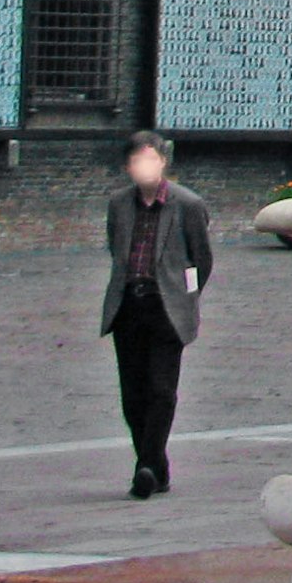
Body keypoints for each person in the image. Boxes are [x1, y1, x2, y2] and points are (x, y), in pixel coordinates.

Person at [100, 129, 212, 500]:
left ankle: (145, 467)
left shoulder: (187, 205)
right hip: (129, 304)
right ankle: (156, 467)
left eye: (151, 160)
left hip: (167, 306)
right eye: (137, 161)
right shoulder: (119, 204)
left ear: (164, 163)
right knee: (134, 394)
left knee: (161, 390)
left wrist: (185, 296)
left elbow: (201, 259)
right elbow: (114, 247)